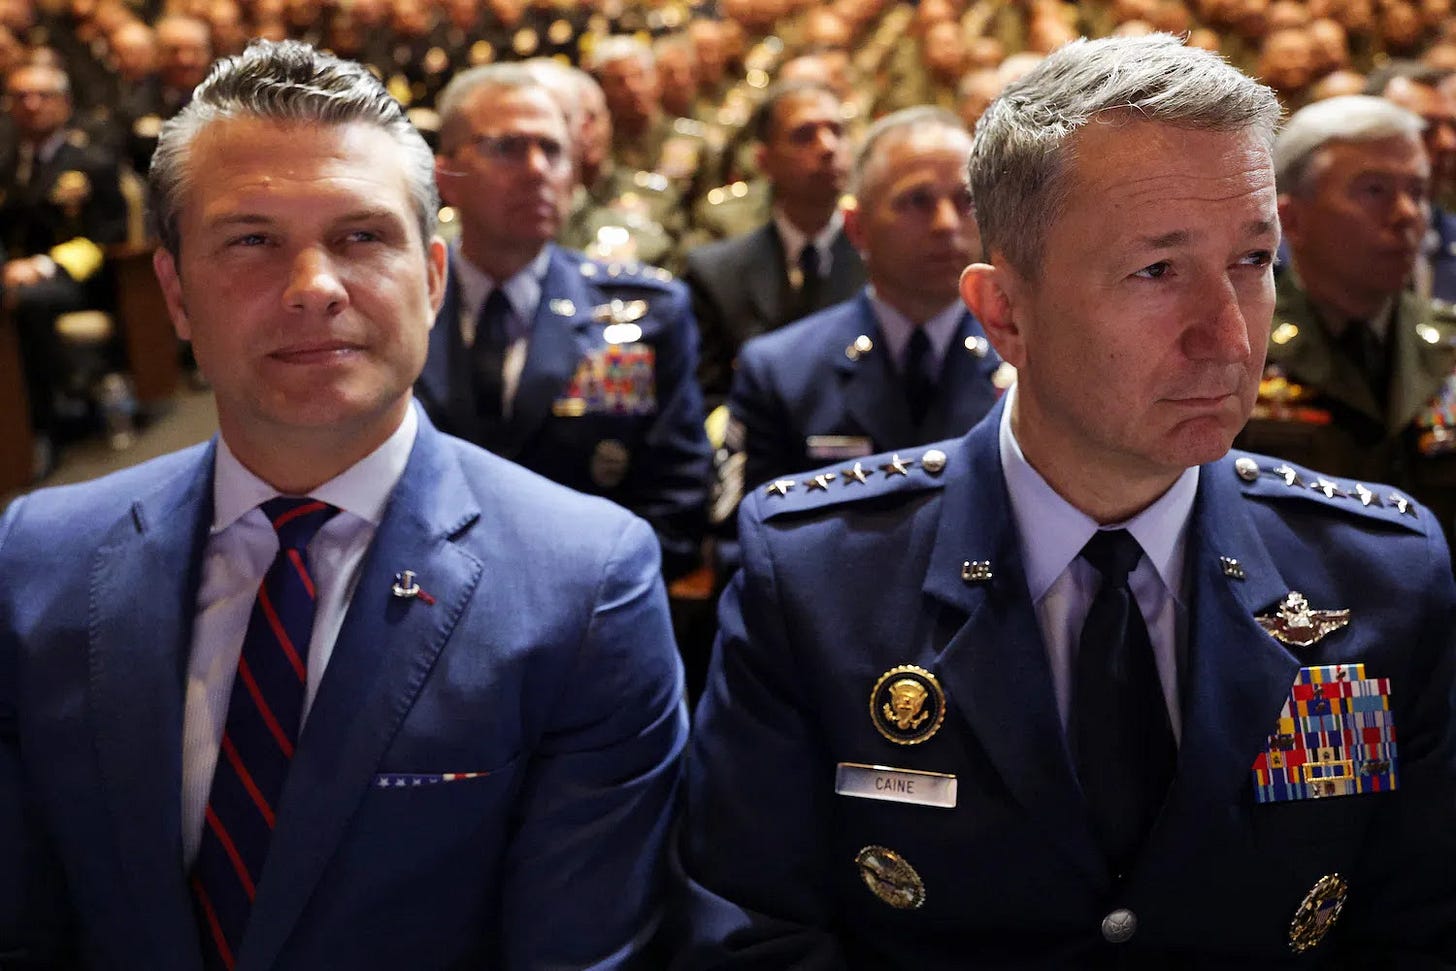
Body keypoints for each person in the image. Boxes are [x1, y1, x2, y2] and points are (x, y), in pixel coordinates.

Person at [676, 34, 1456, 965]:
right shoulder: (817, 573)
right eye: (1157, 270)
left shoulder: (1381, 573)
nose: (1229, 336)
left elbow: (1418, 928)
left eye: (1252, 260)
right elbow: (752, 932)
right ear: (1006, 311)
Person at [0, 41, 686, 969]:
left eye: (362, 236)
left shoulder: (584, 583)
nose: (315, 287)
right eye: (251, 241)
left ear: (434, 277)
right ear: (175, 294)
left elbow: (576, 948)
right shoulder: (39, 557)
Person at [415, 63, 712, 582]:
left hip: (588, 607)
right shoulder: (398, 306)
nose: (536, 170)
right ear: (446, 177)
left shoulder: (649, 313)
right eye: (507, 147)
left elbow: (676, 500)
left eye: (552, 150)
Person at [718, 107, 1003, 507]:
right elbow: (748, 547)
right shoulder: (781, 371)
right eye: (917, 201)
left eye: (965, 201)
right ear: (857, 227)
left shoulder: (1033, 362)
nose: (945, 223)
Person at [1237, 95, 1456, 542]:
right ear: (1290, 219)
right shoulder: (1238, 344)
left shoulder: (1448, 342)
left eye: (1417, 191)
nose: (1406, 215)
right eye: (1374, 191)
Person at [682, 81, 866, 411]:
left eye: (837, 131)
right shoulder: (717, 275)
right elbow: (705, 401)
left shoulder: (884, 266)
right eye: (803, 135)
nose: (827, 147)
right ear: (764, 160)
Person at [1, 60, 127, 475]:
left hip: (80, 278)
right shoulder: (7, 165)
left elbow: (109, 233)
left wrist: (42, 265)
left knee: (25, 301)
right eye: (21, 97)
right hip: (13, 276)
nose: (32, 105)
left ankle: (45, 423)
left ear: (65, 103)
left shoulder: (92, 160)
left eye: (43, 96)